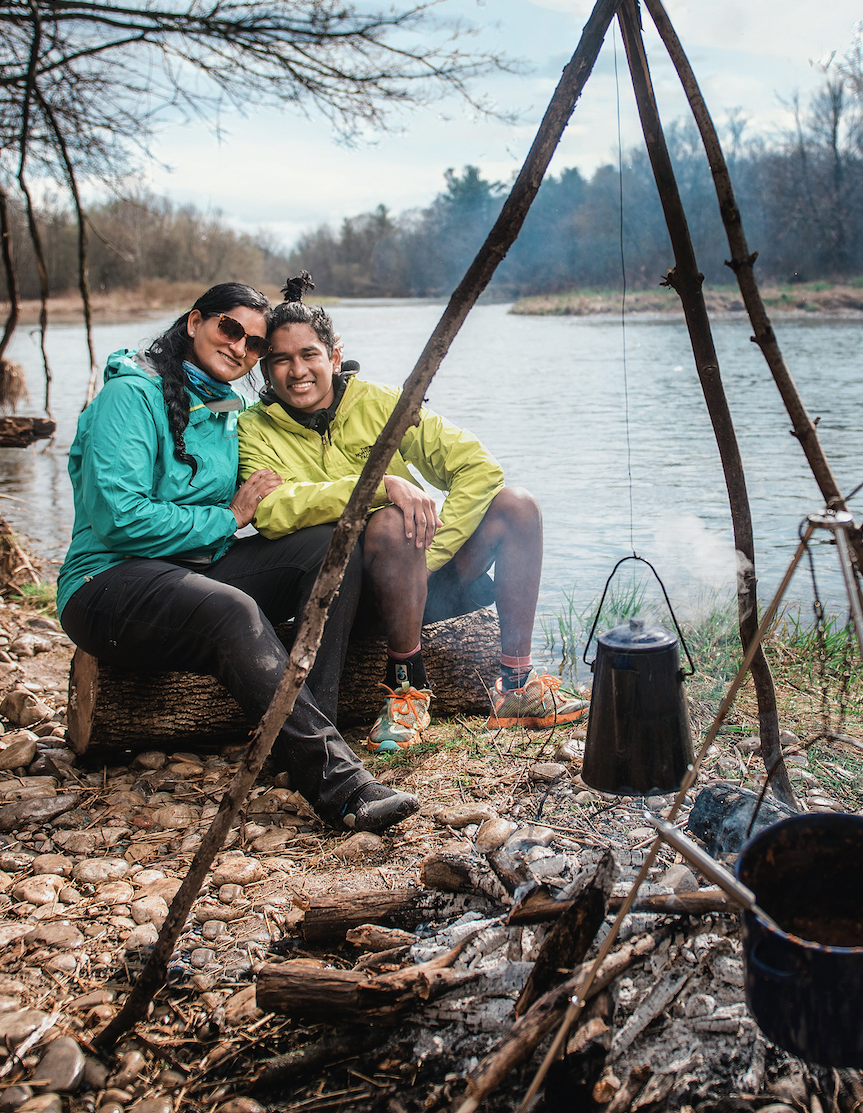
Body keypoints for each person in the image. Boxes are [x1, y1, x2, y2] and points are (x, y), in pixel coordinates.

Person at [56, 282, 419, 832]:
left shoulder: (227, 408)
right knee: (232, 609)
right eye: (230, 328)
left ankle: (308, 732)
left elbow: (284, 488)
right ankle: (340, 785)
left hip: (194, 570)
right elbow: (119, 518)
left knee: (329, 545)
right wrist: (228, 518)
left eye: (254, 344)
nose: (239, 347)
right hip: (107, 583)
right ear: (194, 322)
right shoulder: (130, 396)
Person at [237, 277, 583, 751]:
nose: (297, 371)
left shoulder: (381, 404)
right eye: (281, 360)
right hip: (348, 596)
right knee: (390, 519)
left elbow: (478, 468)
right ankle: (406, 692)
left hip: (421, 578)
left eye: (309, 354)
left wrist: (430, 558)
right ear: (265, 368)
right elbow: (273, 512)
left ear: (334, 356)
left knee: (516, 507)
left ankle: (516, 686)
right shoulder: (253, 428)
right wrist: (376, 487)